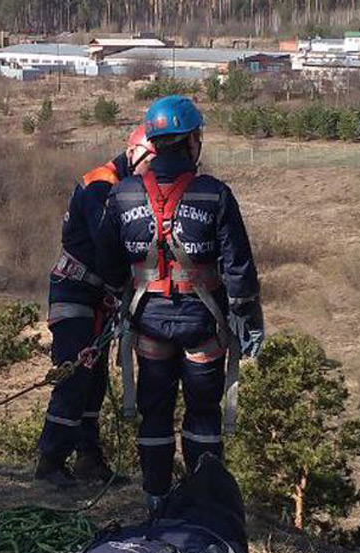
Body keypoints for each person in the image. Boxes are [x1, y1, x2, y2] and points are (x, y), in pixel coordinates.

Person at [94, 95, 263, 509]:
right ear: (191, 141)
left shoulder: (124, 195)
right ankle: (203, 502)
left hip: (148, 322)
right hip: (203, 325)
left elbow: (106, 260)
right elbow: (238, 267)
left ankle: (155, 498)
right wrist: (248, 317)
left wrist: (127, 296)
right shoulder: (214, 195)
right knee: (203, 414)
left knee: (155, 412)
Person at [34, 126, 155, 488]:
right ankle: (51, 461)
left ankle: (89, 458)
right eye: (153, 162)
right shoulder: (101, 185)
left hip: (99, 295)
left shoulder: (130, 186)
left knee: (95, 381)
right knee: (74, 375)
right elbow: (109, 245)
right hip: (75, 290)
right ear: (136, 154)